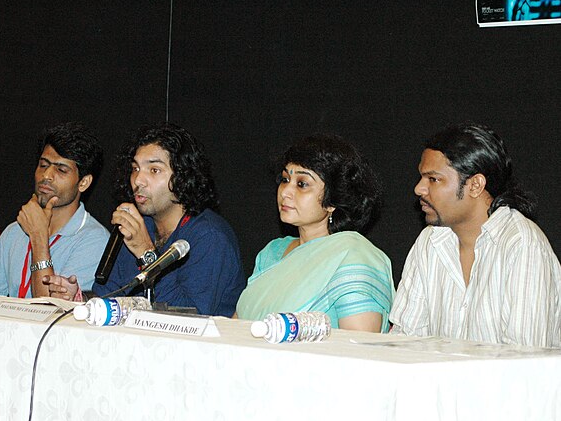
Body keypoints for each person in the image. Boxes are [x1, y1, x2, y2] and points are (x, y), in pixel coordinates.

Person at [45, 122, 245, 316]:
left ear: (183, 176)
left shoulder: (209, 236)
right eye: (135, 168)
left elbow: (190, 319)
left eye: (154, 170)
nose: (138, 180)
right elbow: (111, 296)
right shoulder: (141, 226)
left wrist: (146, 253)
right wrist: (80, 299)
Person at [390, 123, 561, 347]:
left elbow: (525, 360)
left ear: (475, 185)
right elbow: (405, 341)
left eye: (433, 179)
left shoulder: (521, 244)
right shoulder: (429, 242)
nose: (419, 189)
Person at [235, 135, 394, 333]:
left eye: (302, 184)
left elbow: (358, 347)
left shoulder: (353, 257)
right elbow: (236, 329)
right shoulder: (271, 253)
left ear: (332, 201)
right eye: (285, 180)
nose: (285, 192)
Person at [0, 122, 109, 298]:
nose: (46, 176)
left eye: (61, 170)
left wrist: (38, 238)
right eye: (43, 165)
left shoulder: (95, 240)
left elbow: (52, 310)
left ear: (83, 182)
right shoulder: (15, 231)